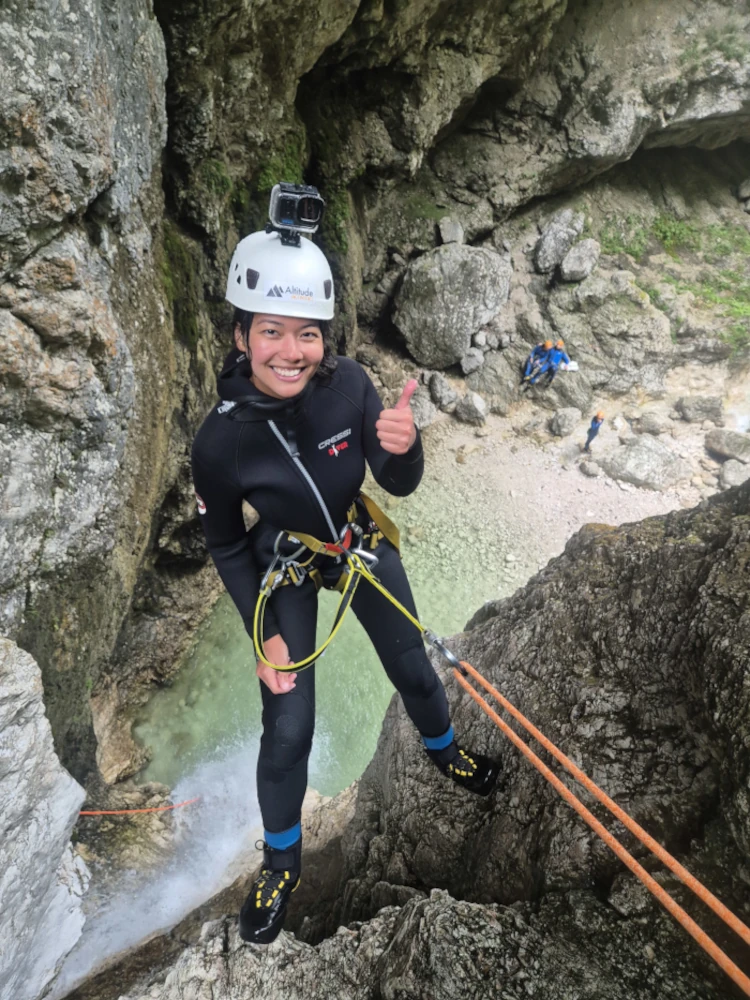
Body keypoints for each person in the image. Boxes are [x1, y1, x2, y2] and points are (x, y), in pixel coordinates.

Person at [191, 223, 499, 947]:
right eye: (272, 332)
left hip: (356, 544)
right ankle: (281, 863)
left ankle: (442, 748)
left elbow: (396, 481)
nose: (292, 352)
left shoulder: (351, 387)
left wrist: (404, 446)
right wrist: (259, 633)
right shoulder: (220, 441)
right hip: (287, 563)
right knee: (288, 727)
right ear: (241, 335)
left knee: (414, 672)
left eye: (308, 334)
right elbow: (226, 543)